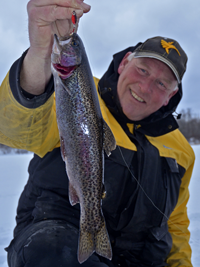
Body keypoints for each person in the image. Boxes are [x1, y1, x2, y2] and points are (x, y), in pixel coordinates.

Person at [0, 0, 195, 266]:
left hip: (139, 259)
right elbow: (14, 129)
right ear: (124, 62)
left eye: (161, 83)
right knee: (53, 252)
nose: (145, 87)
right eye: (142, 69)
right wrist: (39, 56)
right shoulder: (76, 94)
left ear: (171, 95)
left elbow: (176, 226)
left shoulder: (182, 151)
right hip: (56, 241)